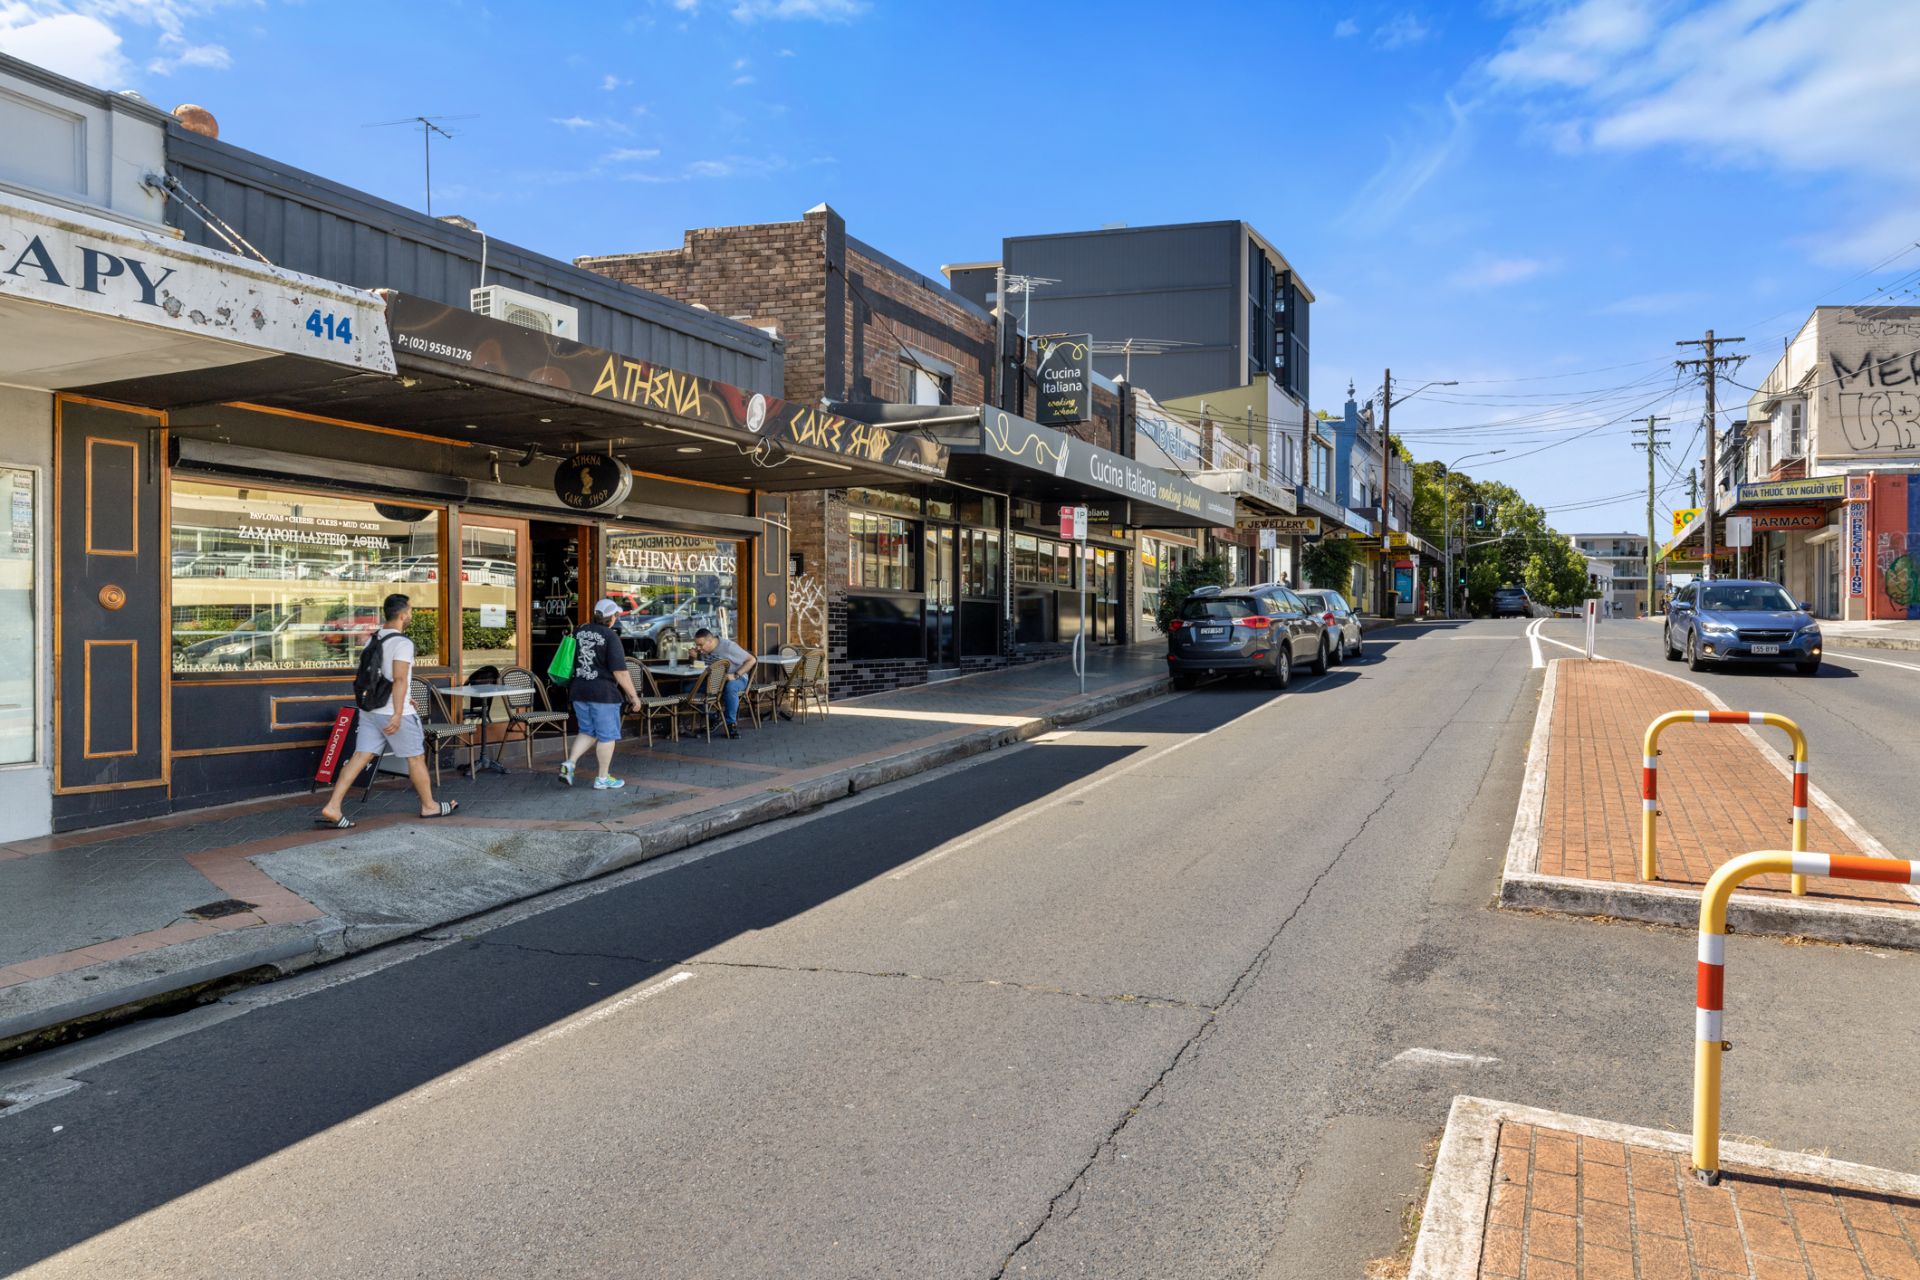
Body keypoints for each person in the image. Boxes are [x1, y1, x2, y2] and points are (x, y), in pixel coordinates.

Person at [317, 593, 458, 827]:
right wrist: (398, 712)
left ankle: (333, 806)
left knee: (361, 756)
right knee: (416, 758)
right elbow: (399, 679)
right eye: (410, 611)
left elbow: (380, 676)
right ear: (403, 614)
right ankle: (429, 806)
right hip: (394, 713)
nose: (411, 614)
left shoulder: (374, 638)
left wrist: (406, 699)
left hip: (371, 710)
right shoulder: (402, 643)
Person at [560, 599, 644, 789]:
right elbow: (620, 672)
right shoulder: (610, 636)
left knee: (587, 731)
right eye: (616, 615)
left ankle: (569, 763)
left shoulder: (579, 631)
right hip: (603, 694)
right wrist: (634, 696)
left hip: (579, 690)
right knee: (607, 736)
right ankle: (603, 778)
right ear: (612, 617)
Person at [692, 627, 756, 739]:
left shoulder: (728, 647)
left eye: (700, 645)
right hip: (713, 681)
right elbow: (700, 667)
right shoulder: (702, 650)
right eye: (696, 645)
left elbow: (752, 660)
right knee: (689, 689)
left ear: (710, 641)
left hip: (737, 679)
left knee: (730, 688)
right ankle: (713, 717)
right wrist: (693, 657)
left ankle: (731, 725)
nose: (698, 648)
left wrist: (735, 675)